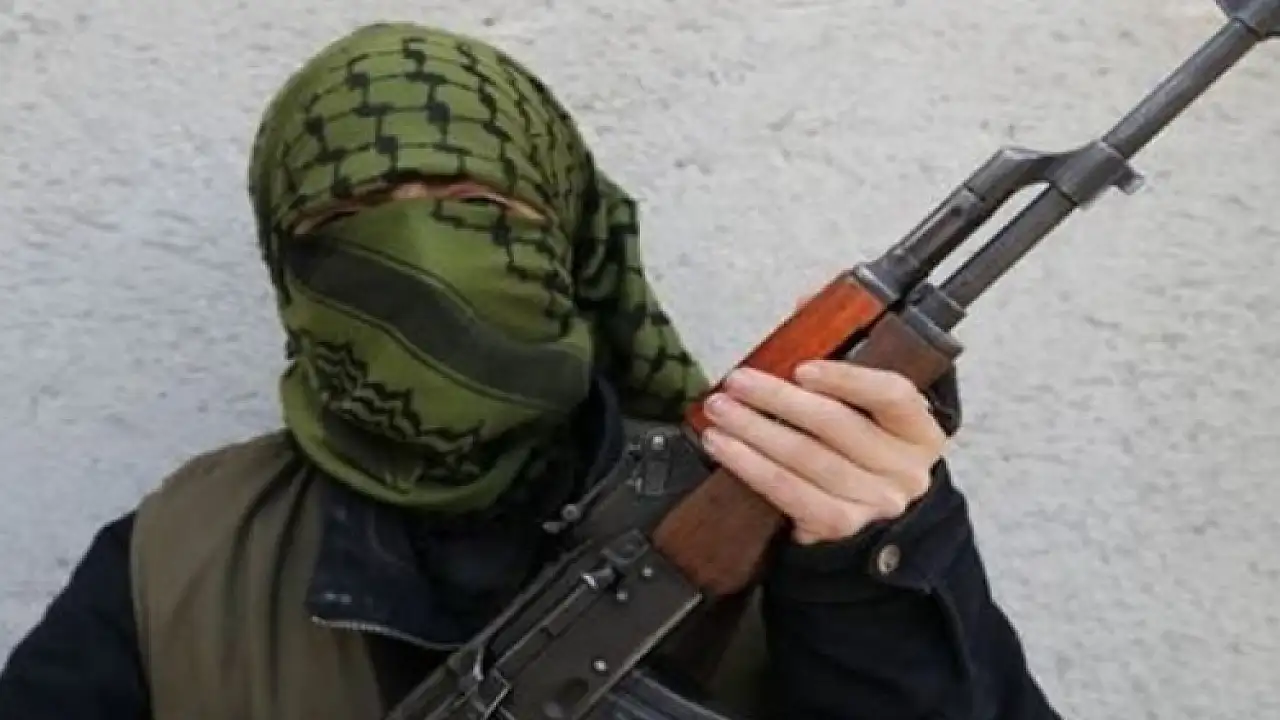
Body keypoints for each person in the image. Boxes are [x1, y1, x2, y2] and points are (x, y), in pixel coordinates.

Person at [0, 22, 1062, 720]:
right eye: (352, 219)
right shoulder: (182, 555)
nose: (423, 261)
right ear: (290, 271)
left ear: (566, 236)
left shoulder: (788, 502)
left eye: (476, 208)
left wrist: (877, 564)